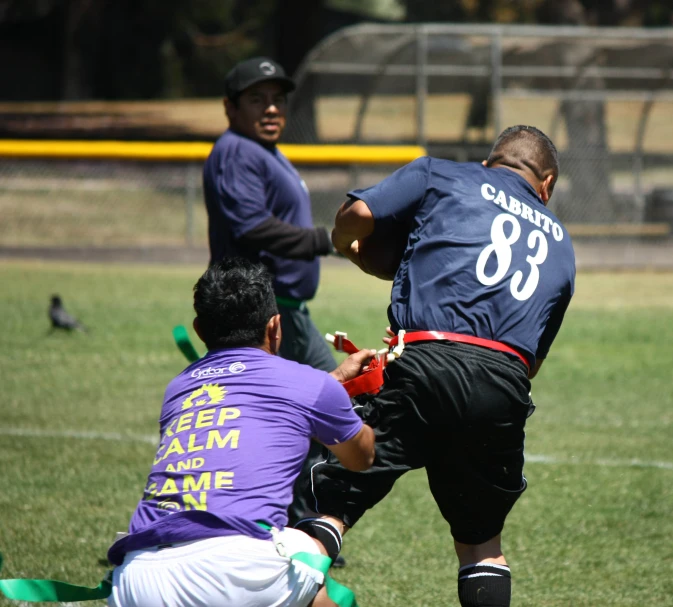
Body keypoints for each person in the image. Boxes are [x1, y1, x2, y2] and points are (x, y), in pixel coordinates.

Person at [308, 125, 576, 607]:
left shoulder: (442, 174)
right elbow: (530, 362)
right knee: (481, 543)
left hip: (426, 362)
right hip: (504, 383)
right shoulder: (561, 241)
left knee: (332, 504)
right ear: (548, 184)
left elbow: (360, 213)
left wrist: (345, 243)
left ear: (490, 162)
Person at [106, 258, 375, 607]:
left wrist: (334, 383)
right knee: (304, 550)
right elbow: (361, 457)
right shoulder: (308, 384)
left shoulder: (179, 387)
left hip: (137, 578)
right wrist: (353, 399)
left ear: (200, 330)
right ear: (276, 327)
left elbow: (253, 405)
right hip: (239, 569)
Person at [202, 56, 336, 374]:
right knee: (330, 402)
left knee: (334, 399)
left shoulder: (262, 150)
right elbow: (252, 226)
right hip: (259, 315)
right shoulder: (238, 150)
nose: (271, 108)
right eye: (256, 100)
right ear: (230, 107)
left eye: (278, 99)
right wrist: (325, 240)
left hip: (283, 310)